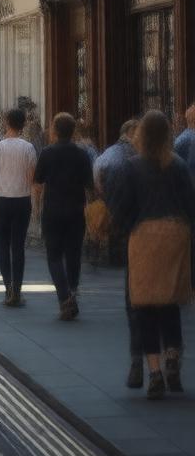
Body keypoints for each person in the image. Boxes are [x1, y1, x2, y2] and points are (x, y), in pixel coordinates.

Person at [111, 110, 195, 400]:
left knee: (144, 305)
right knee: (170, 302)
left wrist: (122, 230)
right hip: (175, 236)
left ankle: (155, 371)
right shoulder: (179, 165)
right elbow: (190, 205)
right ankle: (173, 356)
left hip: (145, 238)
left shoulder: (132, 167)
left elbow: (124, 208)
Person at [95, 118, 142, 385]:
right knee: (168, 306)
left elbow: (98, 176)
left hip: (134, 234)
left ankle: (140, 360)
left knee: (135, 297)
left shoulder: (111, 156)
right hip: (170, 240)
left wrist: (110, 209)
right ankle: (169, 358)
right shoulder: (171, 164)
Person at [34, 112, 94, 320]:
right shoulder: (82, 154)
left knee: (54, 256)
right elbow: (90, 184)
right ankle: (73, 292)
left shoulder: (47, 153)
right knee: (74, 254)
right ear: (73, 131)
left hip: (53, 210)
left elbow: (38, 179)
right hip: (76, 210)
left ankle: (64, 297)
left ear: (55, 130)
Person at [0, 107, 37, 308]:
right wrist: (35, 204)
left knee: (2, 245)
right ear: (23, 124)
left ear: (6, 122)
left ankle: (8, 286)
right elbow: (32, 178)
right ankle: (17, 290)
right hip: (22, 200)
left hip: (1, 198)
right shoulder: (28, 148)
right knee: (18, 246)